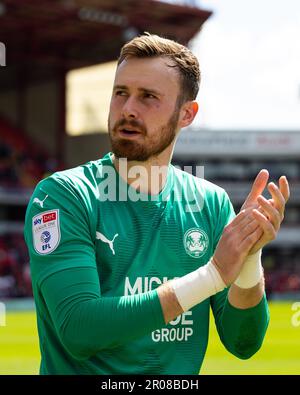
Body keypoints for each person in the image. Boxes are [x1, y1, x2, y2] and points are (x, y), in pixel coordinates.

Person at [24, 33, 289, 375]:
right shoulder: (63, 195)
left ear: (186, 114)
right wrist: (211, 276)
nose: (128, 109)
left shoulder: (210, 203)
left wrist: (250, 255)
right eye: (121, 93)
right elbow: (79, 328)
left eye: (148, 97)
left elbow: (243, 343)